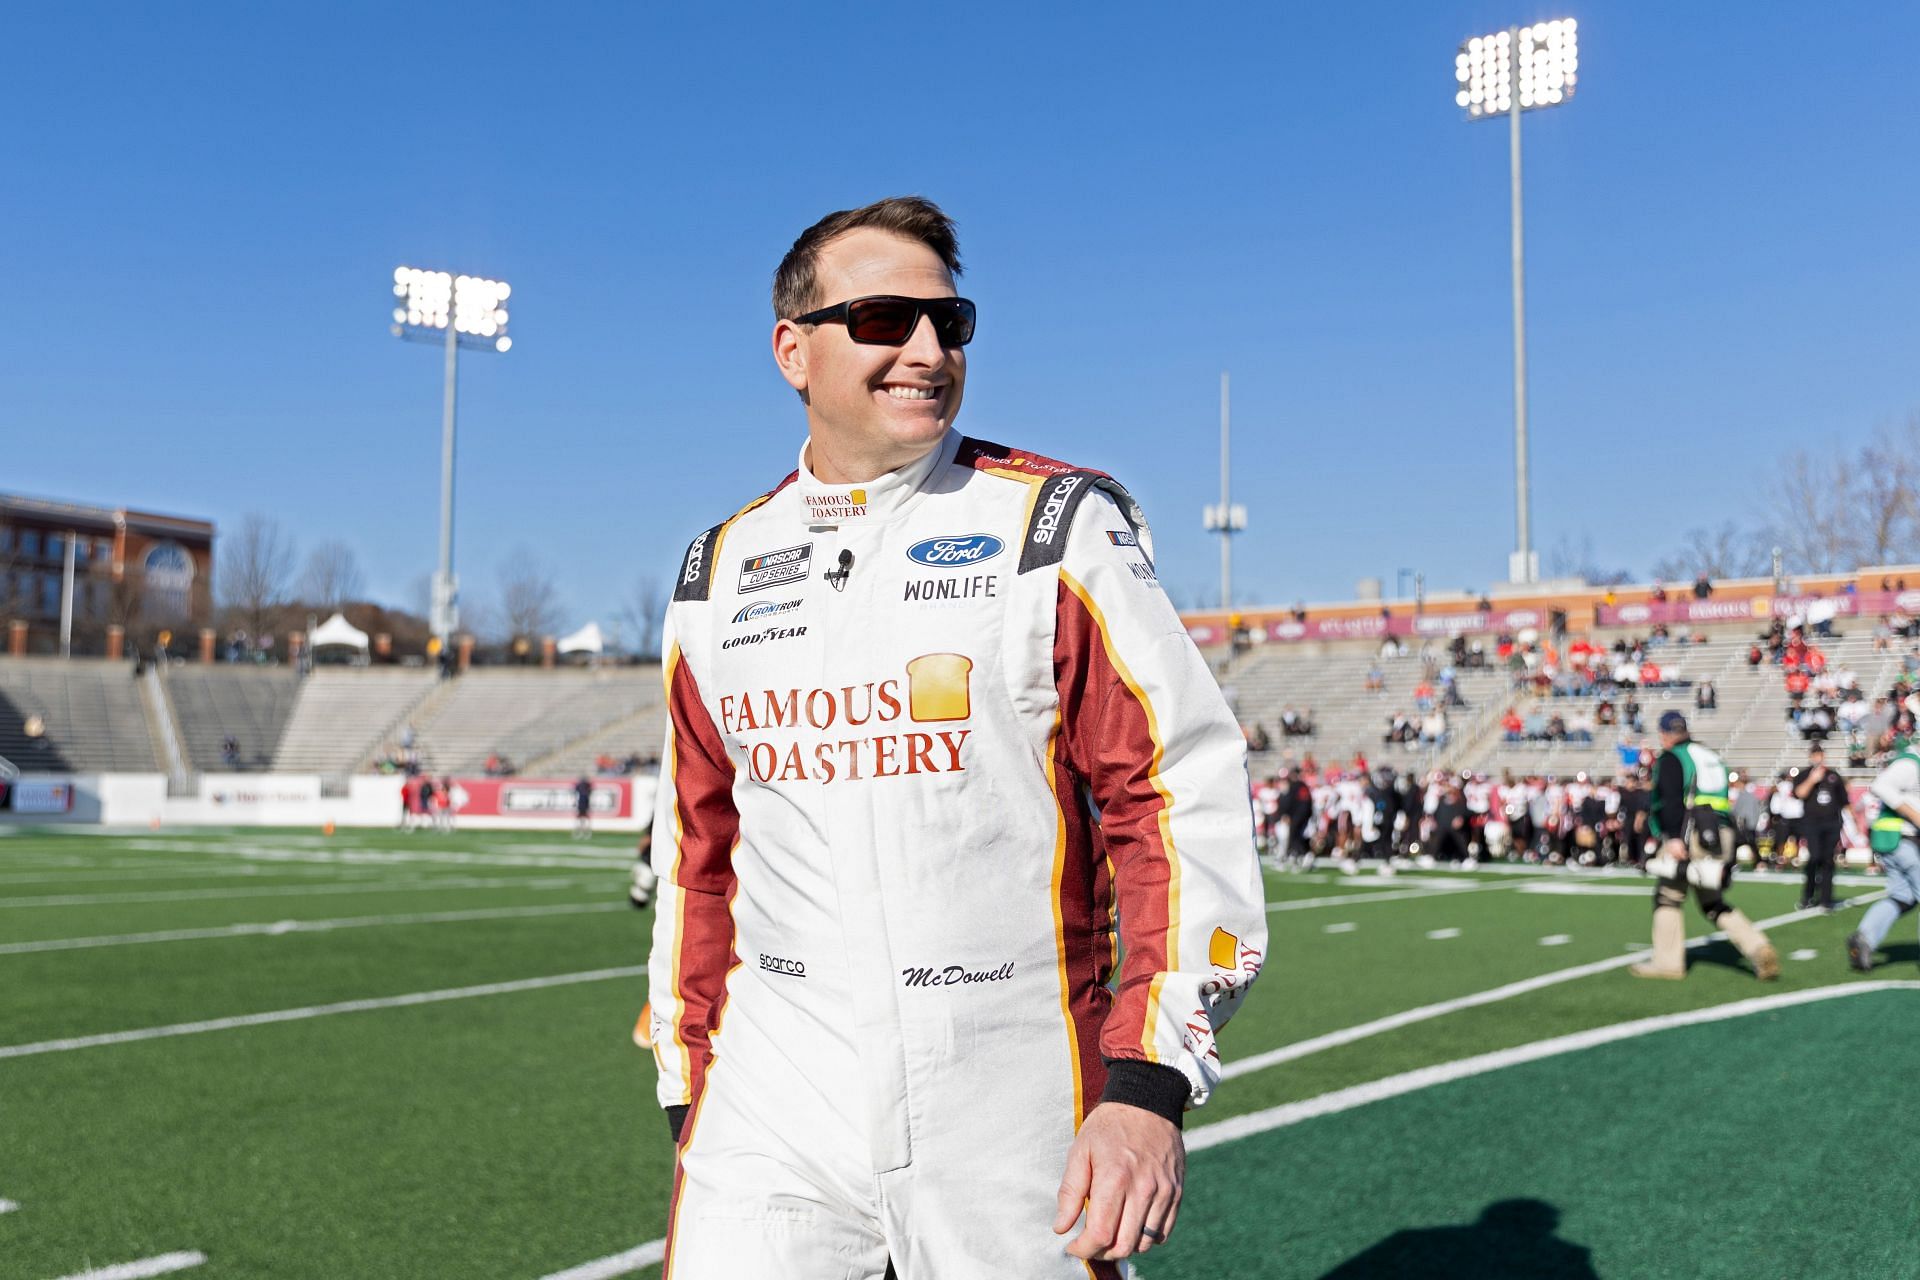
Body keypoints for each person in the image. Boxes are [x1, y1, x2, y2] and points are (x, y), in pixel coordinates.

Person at [643, 197, 1267, 1278]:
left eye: (950, 321)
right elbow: (697, 855)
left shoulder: (1056, 528)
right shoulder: (717, 571)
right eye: (885, 319)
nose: (927, 351)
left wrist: (1151, 1080)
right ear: (794, 348)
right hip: (772, 1095)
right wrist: (687, 1078)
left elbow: (1173, 797)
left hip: (1008, 1089)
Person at [1630, 711, 1779, 981]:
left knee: (1668, 896)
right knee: (1712, 902)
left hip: (1691, 834)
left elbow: (1670, 800)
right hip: (1720, 833)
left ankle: (1667, 963)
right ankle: (1757, 946)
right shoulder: (1710, 756)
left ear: (1664, 734)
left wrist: (1672, 837)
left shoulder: (1673, 758)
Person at [1850, 716, 1920, 971]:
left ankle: (1864, 938)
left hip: (1895, 841)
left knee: (1903, 896)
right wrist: (1914, 816)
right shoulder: (1911, 763)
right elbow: (1880, 786)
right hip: (1903, 839)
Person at [1794, 745, 1846, 911]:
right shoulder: (1803, 774)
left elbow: (1844, 801)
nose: (1817, 757)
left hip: (1831, 823)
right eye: (1814, 754)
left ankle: (1826, 898)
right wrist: (1812, 779)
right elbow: (1800, 793)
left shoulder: (1833, 775)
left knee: (1828, 860)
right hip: (1812, 823)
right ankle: (1808, 895)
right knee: (1814, 857)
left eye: (1820, 754)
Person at [572, 775, 595, 841]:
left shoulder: (583, 786)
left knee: (582, 819)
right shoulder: (586, 786)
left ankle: (582, 832)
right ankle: (583, 832)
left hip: (583, 803)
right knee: (582, 819)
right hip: (583, 803)